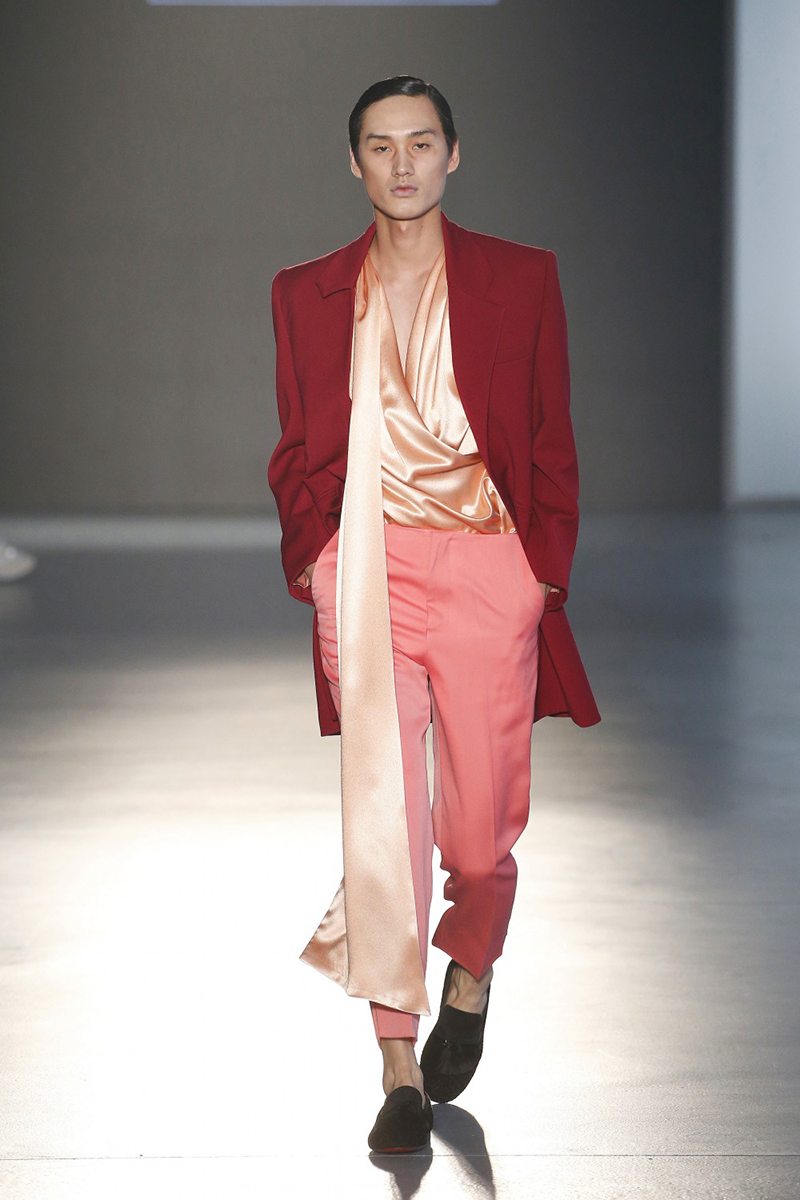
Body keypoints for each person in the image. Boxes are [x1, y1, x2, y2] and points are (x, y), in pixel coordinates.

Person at [268, 75, 600, 1153]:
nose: (402, 163)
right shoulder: (306, 292)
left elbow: (549, 437)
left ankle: (472, 964)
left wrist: (538, 577)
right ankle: (397, 1063)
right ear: (352, 162)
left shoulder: (521, 278)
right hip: (366, 569)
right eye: (380, 145)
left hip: (486, 566)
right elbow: (296, 445)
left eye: (421, 143)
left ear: (453, 154)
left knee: (477, 835)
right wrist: (319, 560)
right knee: (385, 821)